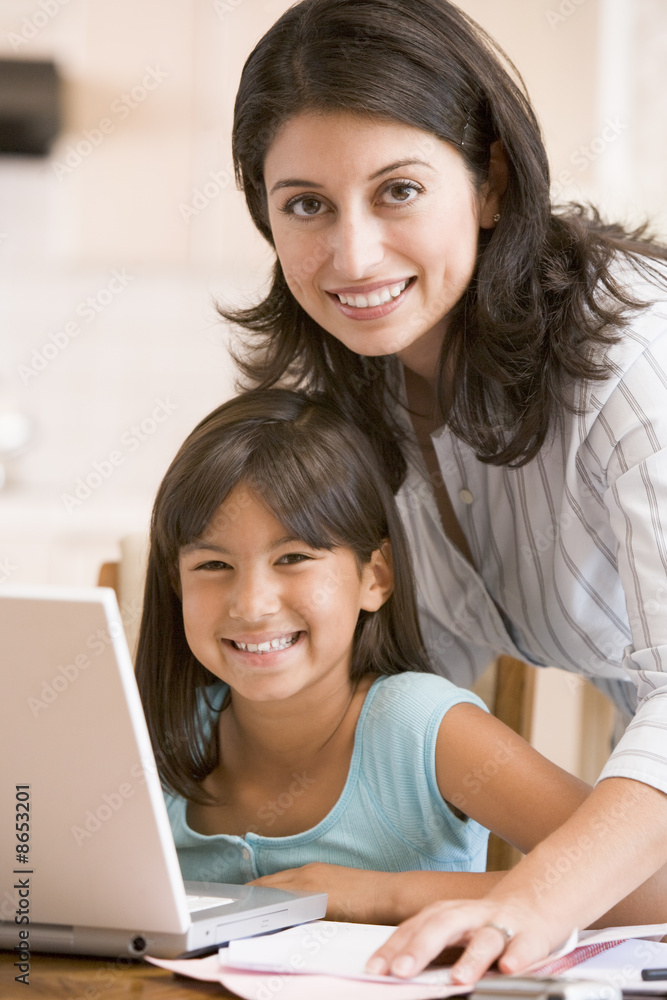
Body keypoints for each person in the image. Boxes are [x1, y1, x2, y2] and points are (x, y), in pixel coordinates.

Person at [216, 0, 667, 982]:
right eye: (305, 204)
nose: (354, 256)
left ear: (490, 180)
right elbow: (406, 694)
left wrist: (530, 898)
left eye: (399, 190)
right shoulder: (356, 393)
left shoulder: (635, 364)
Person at [136, 386, 607, 924]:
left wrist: (387, 895)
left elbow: (649, 889)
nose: (252, 604)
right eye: (213, 566)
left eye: (293, 557)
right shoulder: (149, 735)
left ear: (375, 577)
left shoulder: (419, 727)